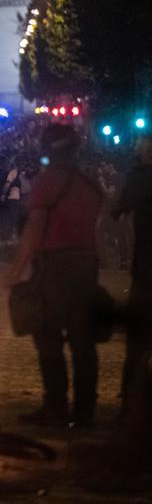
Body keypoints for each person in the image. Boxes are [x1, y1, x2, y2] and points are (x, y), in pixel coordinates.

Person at [4, 125, 103, 426]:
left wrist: (17, 268)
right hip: (86, 265)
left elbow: (35, 226)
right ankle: (85, 411)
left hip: (55, 267)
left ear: (49, 149)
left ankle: (56, 406)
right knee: (83, 340)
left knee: (47, 337)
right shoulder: (90, 184)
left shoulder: (48, 182)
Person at [113, 136, 152, 422]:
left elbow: (116, 210)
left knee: (137, 342)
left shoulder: (140, 178)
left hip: (147, 270)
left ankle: (129, 402)